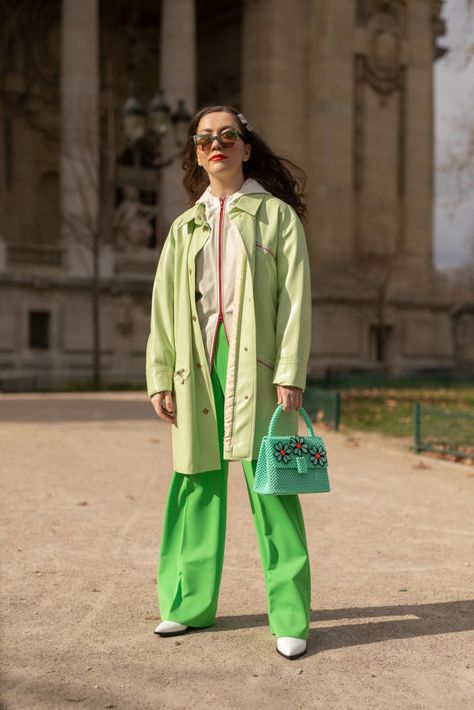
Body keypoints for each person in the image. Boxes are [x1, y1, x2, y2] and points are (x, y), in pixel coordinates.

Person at [146, 105, 312, 660]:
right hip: (197, 369)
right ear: (196, 153)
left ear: (245, 146)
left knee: (275, 485)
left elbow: (294, 301)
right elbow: (165, 310)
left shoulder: (276, 218)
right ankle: (186, 605)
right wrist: (160, 377)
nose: (215, 145)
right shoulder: (183, 226)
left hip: (261, 370)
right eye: (204, 139)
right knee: (194, 483)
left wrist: (290, 371)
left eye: (227, 136)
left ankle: (290, 616)